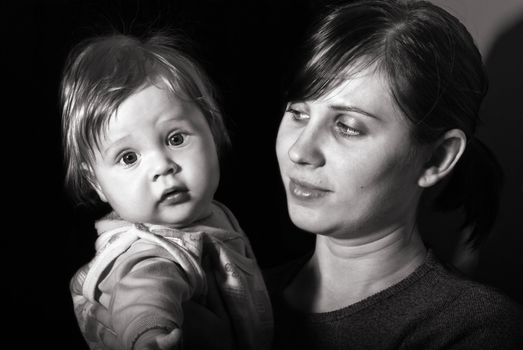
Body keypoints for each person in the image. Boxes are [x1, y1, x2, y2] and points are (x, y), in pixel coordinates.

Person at [84, 1, 523, 349]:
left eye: (347, 126)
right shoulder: (229, 294)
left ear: (437, 159)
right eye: (297, 113)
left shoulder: (474, 329)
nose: (300, 150)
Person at [61, 33, 272, 350]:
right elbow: (145, 295)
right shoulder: (147, 251)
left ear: (213, 133)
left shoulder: (211, 216)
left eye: (175, 138)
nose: (162, 166)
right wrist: (152, 336)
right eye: (129, 157)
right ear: (96, 184)